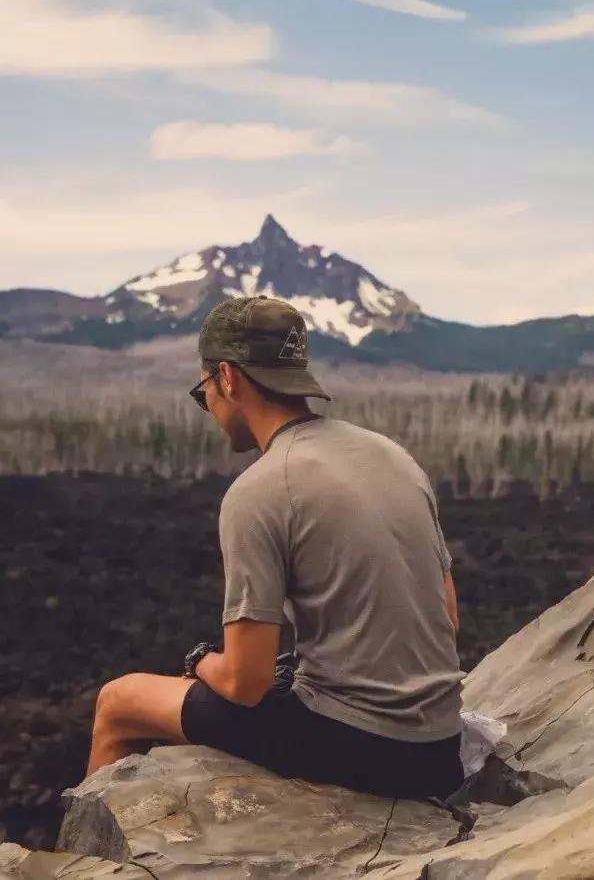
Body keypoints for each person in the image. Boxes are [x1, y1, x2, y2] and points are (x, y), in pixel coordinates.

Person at [85, 295, 464, 802]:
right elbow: (449, 618)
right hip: (442, 747)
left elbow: (245, 682)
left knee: (119, 701)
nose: (212, 410)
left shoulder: (260, 489)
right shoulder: (393, 455)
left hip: (370, 752)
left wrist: (201, 663)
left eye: (205, 394)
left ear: (227, 377)